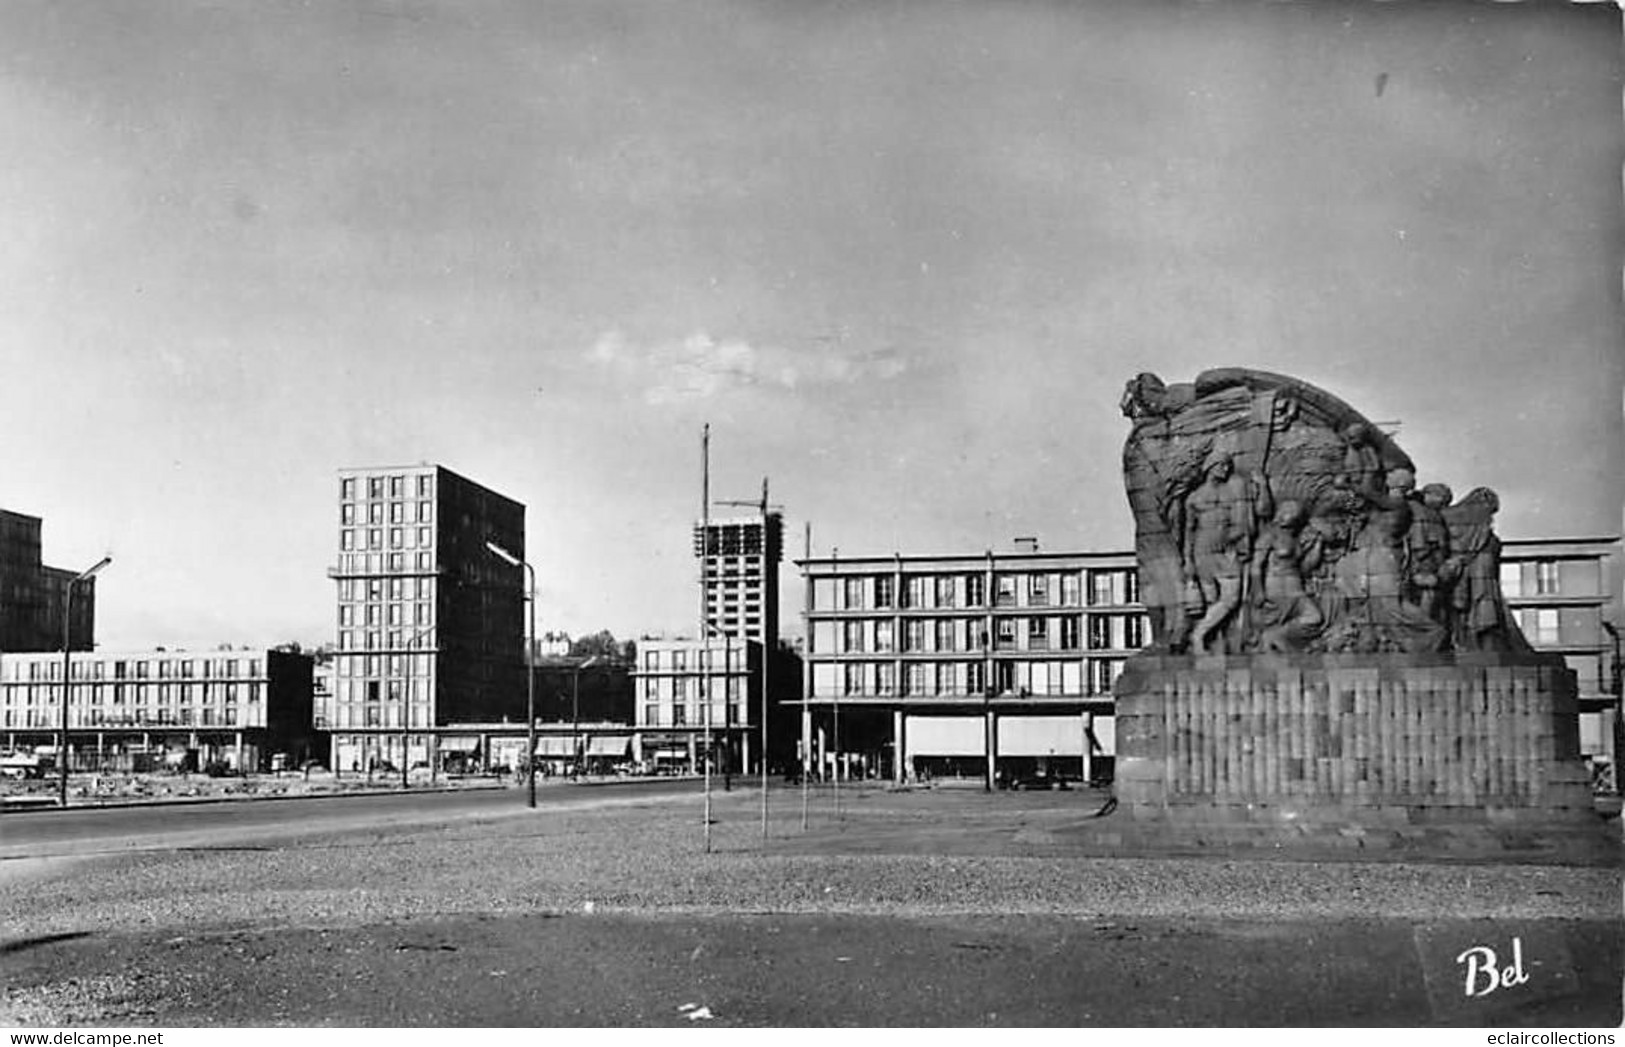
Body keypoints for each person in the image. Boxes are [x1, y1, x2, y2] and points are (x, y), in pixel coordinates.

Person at [1182, 449, 1263, 654]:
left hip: (1227, 551)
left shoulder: (1232, 493)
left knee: (1231, 598)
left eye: (1227, 465)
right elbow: (1189, 532)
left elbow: (1243, 518)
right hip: (1203, 551)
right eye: (1220, 465)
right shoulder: (1195, 497)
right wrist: (1188, 561)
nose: (1225, 469)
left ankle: (1199, 634)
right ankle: (1209, 641)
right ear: (1210, 467)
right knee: (1211, 599)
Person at [1250, 500, 1324, 652]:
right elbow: (1257, 564)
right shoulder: (1270, 536)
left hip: (1296, 588)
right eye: (1287, 511)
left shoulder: (1296, 538)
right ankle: (1271, 639)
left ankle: (1276, 635)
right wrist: (1258, 590)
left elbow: (1304, 568)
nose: (1289, 515)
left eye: (1293, 512)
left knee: (1315, 617)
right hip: (1277, 588)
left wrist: (1317, 546)